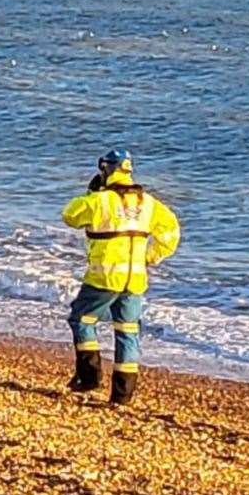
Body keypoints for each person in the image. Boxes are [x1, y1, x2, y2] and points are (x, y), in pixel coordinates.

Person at [61, 150, 181, 405]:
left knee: (81, 319)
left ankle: (89, 377)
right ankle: (122, 395)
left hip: (103, 277)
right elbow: (171, 232)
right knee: (128, 331)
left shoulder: (100, 201)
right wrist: (150, 257)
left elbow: (70, 216)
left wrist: (90, 194)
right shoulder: (148, 203)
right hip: (135, 279)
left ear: (106, 170)